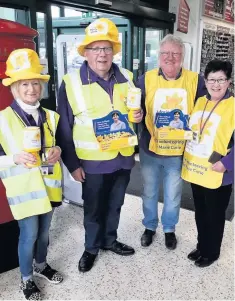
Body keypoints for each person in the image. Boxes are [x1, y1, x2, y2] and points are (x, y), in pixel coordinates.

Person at [57, 18, 143, 272]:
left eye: (106, 48)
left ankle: (109, 240)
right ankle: (91, 248)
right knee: (93, 209)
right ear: (86, 53)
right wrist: (72, 165)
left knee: (116, 204)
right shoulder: (71, 83)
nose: (102, 54)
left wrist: (137, 115)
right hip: (92, 162)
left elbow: (132, 111)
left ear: (114, 51)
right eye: (95, 49)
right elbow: (64, 128)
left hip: (123, 157)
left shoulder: (127, 77)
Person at [0, 49, 63, 300]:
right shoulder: (2, 120)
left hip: (48, 186)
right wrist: (13, 158)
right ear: (14, 88)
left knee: (45, 232)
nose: (31, 89)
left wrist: (57, 149)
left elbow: (55, 146)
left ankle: (41, 264)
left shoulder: (50, 116)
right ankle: (26, 279)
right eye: (24, 84)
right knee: (29, 234)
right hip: (25, 191)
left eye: (35, 83)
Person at [137, 34, 207, 250]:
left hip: (178, 151)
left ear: (182, 56)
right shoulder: (144, 79)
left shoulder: (196, 80)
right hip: (150, 148)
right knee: (149, 191)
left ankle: (169, 229)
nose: (170, 58)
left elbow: (207, 107)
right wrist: (136, 114)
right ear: (159, 55)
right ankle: (149, 226)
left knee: (173, 192)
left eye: (175, 54)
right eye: (165, 53)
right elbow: (133, 108)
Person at [182, 60, 234, 267]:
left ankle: (212, 252)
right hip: (197, 169)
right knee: (201, 211)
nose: (216, 84)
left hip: (219, 172)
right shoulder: (200, 102)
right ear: (205, 81)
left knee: (215, 214)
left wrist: (227, 163)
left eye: (221, 79)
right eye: (211, 79)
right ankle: (202, 245)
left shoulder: (233, 105)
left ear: (228, 82)